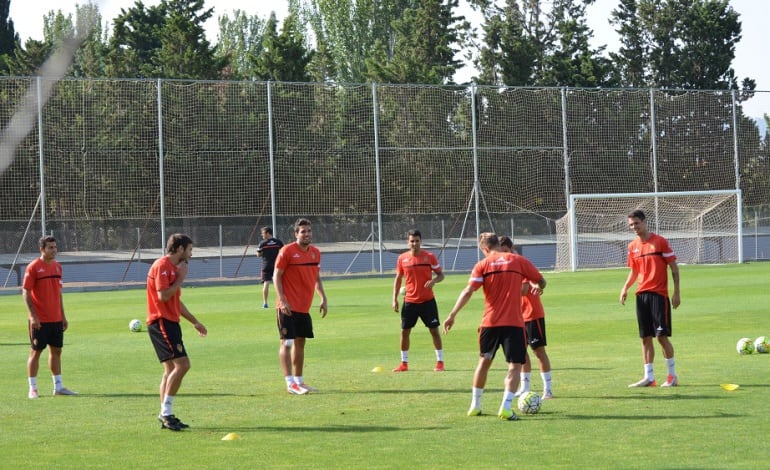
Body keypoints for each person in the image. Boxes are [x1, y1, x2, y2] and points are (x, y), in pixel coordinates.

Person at [443, 233, 546, 421]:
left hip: (489, 323)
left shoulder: (482, 265)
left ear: (484, 249)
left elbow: (468, 291)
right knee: (515, 366)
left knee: (483, 363)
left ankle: (475, 405)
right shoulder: (518, 260)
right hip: (514, 324)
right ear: (498, 244)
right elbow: (540, 280)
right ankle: (506, 408)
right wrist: (539, 286)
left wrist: (452, 315)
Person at [146, 233, 208, 431]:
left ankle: (165, 414)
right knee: (183, 365)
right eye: (190, 249)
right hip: (161, 321)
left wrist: (195, 322)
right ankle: (166, 412)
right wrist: (180, 279)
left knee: (170, 370)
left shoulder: (173, 268)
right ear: (180, 249)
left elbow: (175, 301)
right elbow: (163, 296)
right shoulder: (163, 266)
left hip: (170, 321)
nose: (191, 253)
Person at [620, 210, 681, 388]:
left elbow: (674, 268)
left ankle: (672, 376)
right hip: (642, 296)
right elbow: (634, 271)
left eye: (636, 223)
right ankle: (649, 377)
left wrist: (676, 293)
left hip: (659, 295)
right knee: (645, 338)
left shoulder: (659, 242)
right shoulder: (632, 246)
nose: (634, 227)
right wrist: (625, 288)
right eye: (631, 225)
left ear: (644, 222)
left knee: (661, 337)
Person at [274, 218, 328, 395]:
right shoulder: (287, 251)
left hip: (304, 307)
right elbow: (276, 276)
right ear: (296, 234)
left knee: (300, 343)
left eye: (309, 231)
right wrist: (282, 300)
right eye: (303, 231)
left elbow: (316, 278)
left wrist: (323, 298)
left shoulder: (315, 253)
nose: (307, 234)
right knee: (287, 342)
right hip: (287, 306)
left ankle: (299, 381)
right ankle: (290, 383)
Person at [23, 235, 77, 399]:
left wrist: (63, 316)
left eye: (55, 247)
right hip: (40, 320)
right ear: (42, 249)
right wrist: (33, 316)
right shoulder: (33, 267)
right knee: (36, 352)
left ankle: (58, 387)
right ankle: (33, 388)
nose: (54, 250)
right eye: (50, 248)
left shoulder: (58, 267)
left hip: (55, 319)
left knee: (57, 351)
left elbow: (58, 293)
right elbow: (26, 292)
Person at [499, 236, 553, 400]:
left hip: (531, 313)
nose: (505, 256)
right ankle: (525, 387)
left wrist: (536, 285)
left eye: (506, 252)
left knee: (538, 351)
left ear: (512, 248)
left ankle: (548, 389)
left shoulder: (519, 263)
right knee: (521, 353)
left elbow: (525, 288)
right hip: (516, 316)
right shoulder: (502, 265)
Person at [392, 229, 446, 372]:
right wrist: (394, 299)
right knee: (404, 332)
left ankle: (440, 362)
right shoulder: (402, 258)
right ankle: (404, 363)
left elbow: (441, 275)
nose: (414, 243)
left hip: (428, 301)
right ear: (407, 242)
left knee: (434, 331)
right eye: (412, 241)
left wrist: (434, 280)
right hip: (409, 302)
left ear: (420, 241)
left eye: (417, 241)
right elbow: (398, 279)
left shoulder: (429, 257)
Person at [256, 226, 283, 308]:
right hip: (277, 265)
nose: (262, 235)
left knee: (266, 283)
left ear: (268, 233)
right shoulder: (278, 242)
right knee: (280, 283)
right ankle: (282, 300)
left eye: (263, 233)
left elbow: (258, 254)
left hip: (266, 266)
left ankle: (265, 303)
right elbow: (283, 252)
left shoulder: (262, 243)